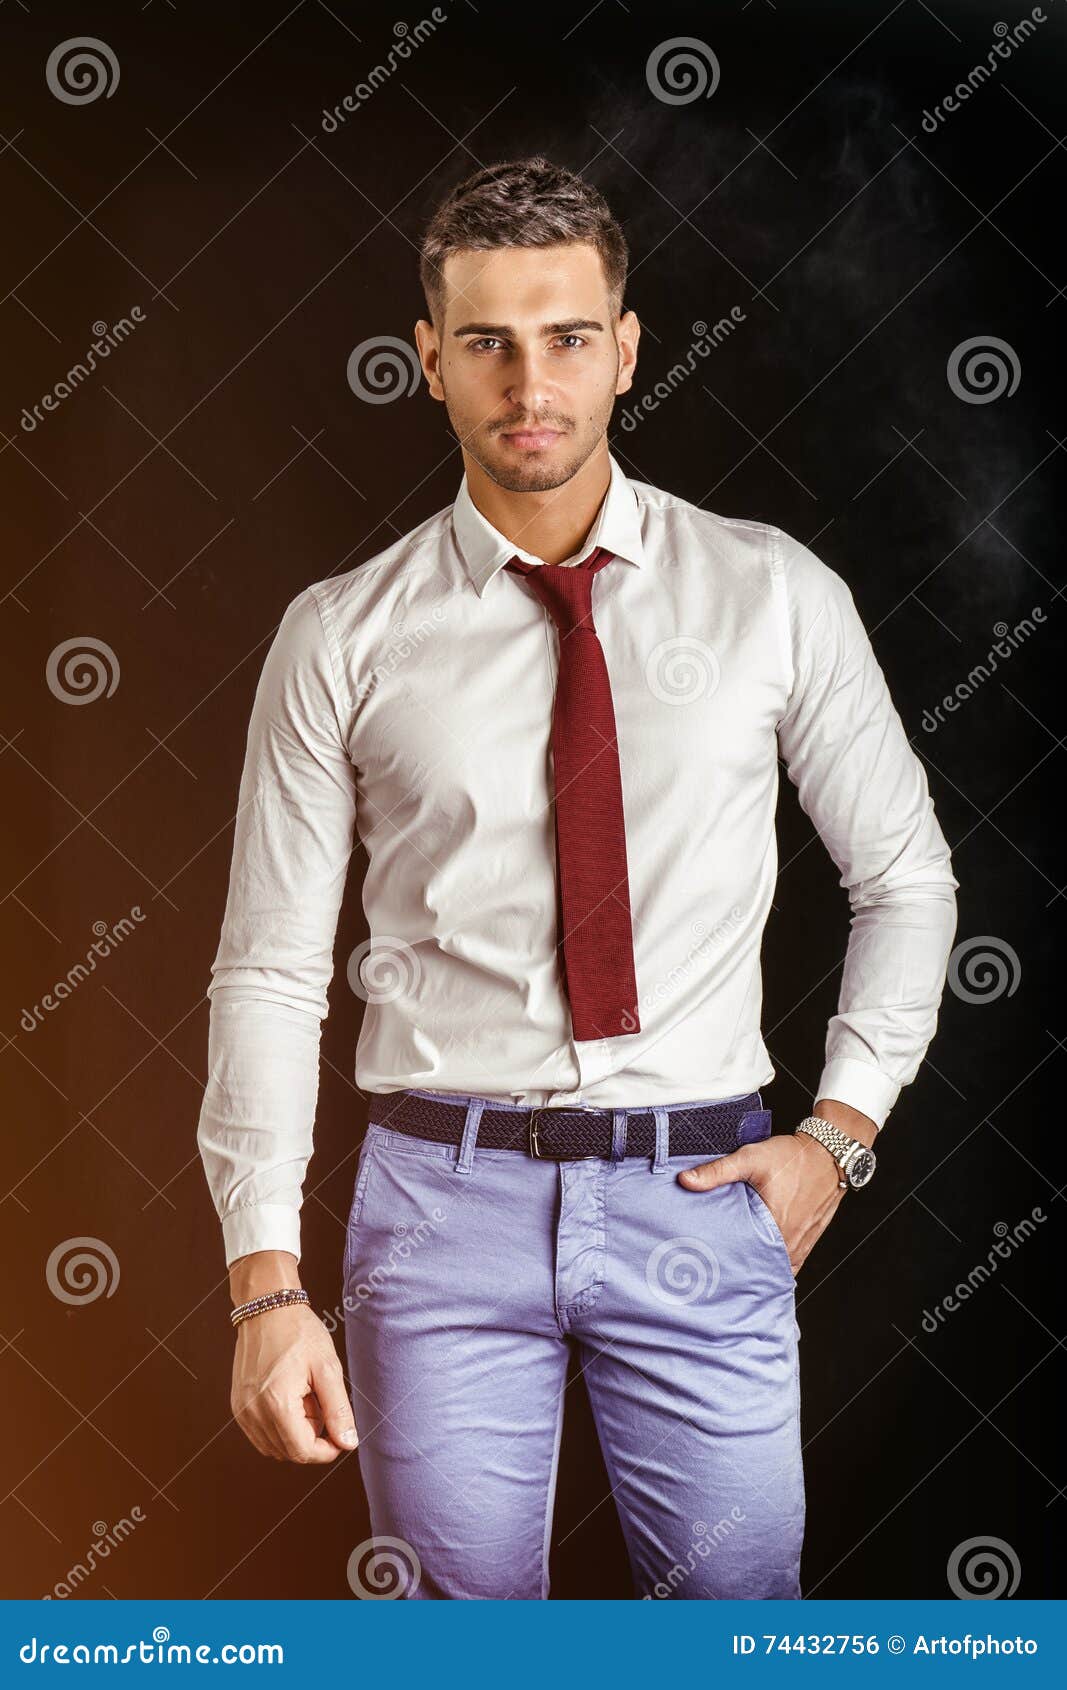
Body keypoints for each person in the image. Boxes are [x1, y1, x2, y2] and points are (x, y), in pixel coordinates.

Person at [196, 155, 959, 1600]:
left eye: (563, 338)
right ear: (430, 361)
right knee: (461, 1650)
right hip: (438, 1204)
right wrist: (264, 1279)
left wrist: (841, 1132)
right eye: (484, 341)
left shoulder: (772, 592)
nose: (525, 382)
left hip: (702, 1185)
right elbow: (269, 969)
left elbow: (907, 879)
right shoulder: (342, 634)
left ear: (624, 350)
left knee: (740, 1638)